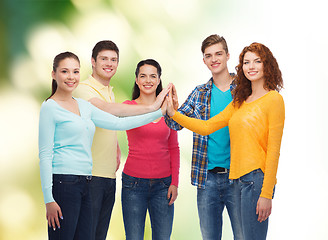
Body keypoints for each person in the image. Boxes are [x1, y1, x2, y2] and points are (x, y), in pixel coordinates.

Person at [39, 52, 169, 240]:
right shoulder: (50, 107)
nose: (71, 77)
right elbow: (45, 154)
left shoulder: (84, 106)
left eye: (75, 71)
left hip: (86, 181)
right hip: (63, 182)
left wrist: (159, 110)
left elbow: (119, 123)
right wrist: (48, 198)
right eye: (65, 71)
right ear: (54, 74)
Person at [166, 42, 285, 240]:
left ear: (267, 65)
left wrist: (267, 193)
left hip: (255, 181)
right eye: (246, 62)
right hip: (236, 182)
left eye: (257, 61)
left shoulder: (273, 99)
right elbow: (206, 127)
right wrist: (173, 113)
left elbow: (274, 150)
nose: (251, 66)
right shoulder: (239, 100)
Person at [73, 41, 169, 240]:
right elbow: (108, 111)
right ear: (92, 61)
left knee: (99, 235)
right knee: (86, 234)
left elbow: (109, 122)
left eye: (114, 60)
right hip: (90, 175)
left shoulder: (109, 92)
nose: (109, 63)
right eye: (104, 59)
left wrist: (116, 146)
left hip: (108, 177)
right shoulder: (83, 89)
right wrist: (154, 108)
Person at [164, 34, 243, 240]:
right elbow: (174, 123)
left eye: (218, 54)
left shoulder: (245, 90)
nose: (214, 59)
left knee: (244, 235)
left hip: (239, 177)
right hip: (207, 179)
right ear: (204, 60)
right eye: (209, 55)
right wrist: (173, 106)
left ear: (227, 56)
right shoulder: (200, 93)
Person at [121, 59, 180, 240]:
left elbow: (174, 147)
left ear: (159, 79)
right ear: (137, 80)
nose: (148, 80)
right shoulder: (128, 107)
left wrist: (175, 182)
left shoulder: (168, 109)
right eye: (143, 76)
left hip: (163, 186)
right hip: (133, 185)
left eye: (152, 76)